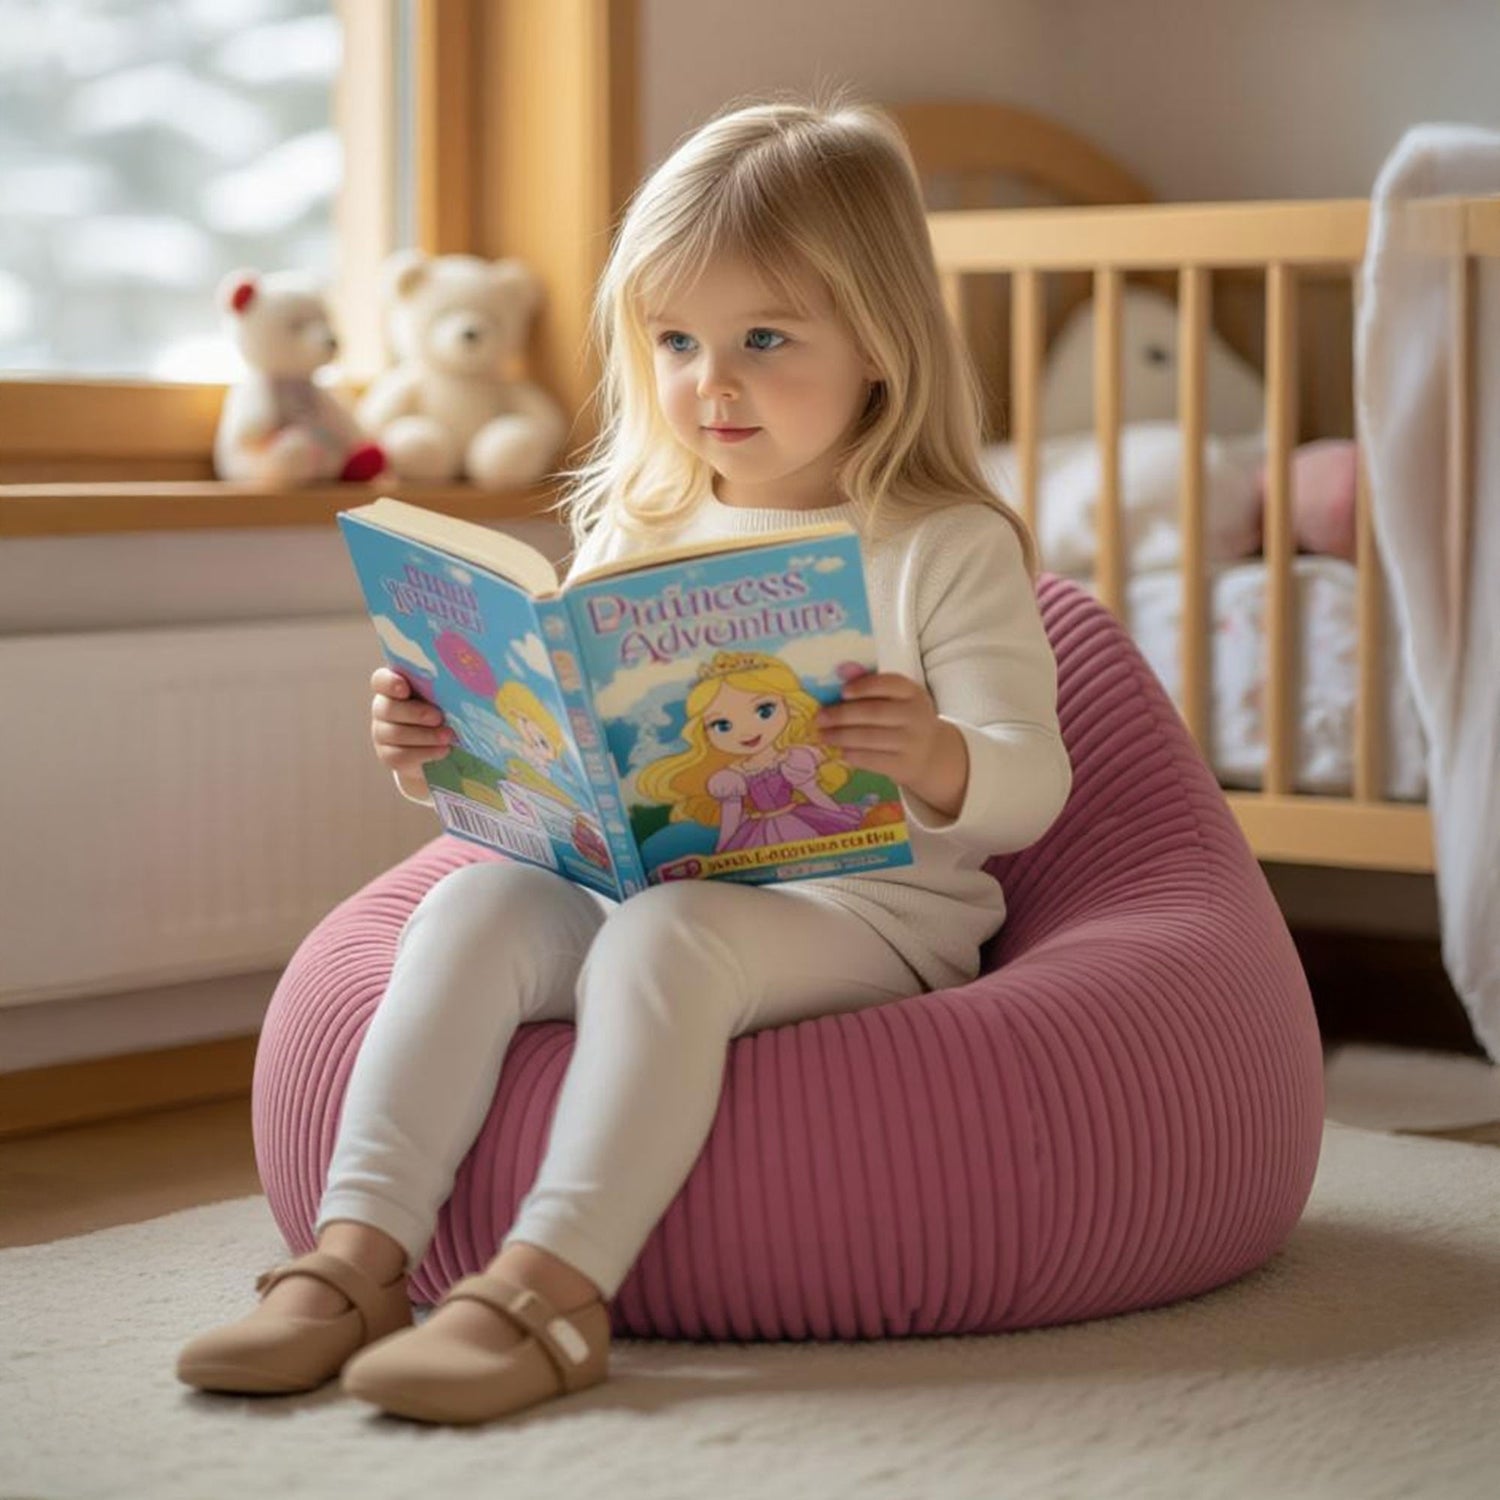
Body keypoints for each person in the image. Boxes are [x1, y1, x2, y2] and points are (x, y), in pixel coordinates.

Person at [176, 88, 1073, 1426]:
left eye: (765, 337)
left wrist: (939, 754)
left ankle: (550, 1290)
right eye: (675, 339)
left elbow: (1033, 781)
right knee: (469, 901)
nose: (711, 382)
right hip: (637, 883)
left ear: (879, 341)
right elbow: (572, 760)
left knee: (669, 944)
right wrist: (443, 750)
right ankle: (353, 1259)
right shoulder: (639, 526)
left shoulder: (943, 542)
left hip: (868, 912)